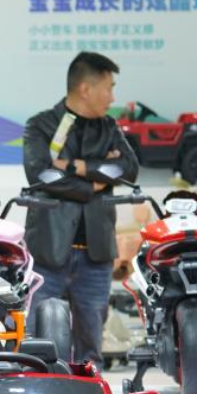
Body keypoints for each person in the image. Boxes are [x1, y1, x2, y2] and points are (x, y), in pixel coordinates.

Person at [23, 51, 138, 365]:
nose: (112, 96)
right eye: (108, 88)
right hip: (48, 252)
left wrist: (75, 166)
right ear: (86, 89)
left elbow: (128, 169)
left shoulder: (110, 128)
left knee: (90, 352)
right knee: (38, 346)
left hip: (95, 255)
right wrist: (96, 182)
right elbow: (41, 175)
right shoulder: (41, 126)